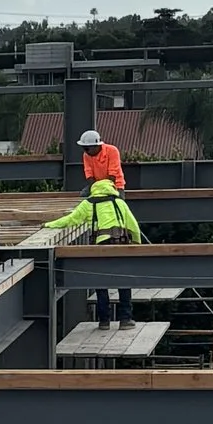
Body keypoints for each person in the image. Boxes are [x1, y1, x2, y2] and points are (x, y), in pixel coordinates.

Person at [39, 129, 144, 319]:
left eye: (89, 148)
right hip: (120, 239)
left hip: (114, 191)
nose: (86, 152)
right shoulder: (118, 204)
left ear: (97, 145)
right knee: (124, 278)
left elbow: (113, 175)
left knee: (100, 278)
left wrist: (49, 225)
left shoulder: (111, 153)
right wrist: (136, 245)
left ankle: (104, 319)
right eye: (85, 149)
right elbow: (133, 225)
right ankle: (126, 318)